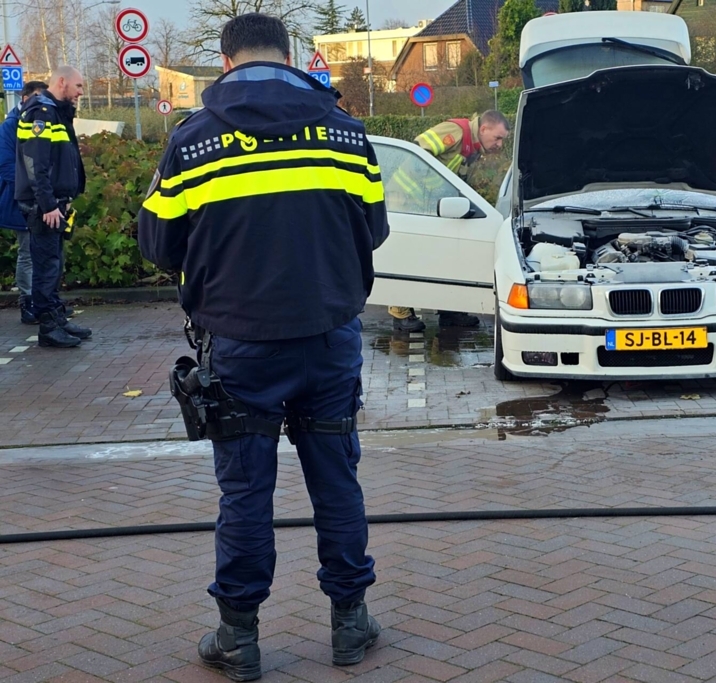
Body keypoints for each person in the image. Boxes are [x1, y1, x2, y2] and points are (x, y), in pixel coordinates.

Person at [139, 14, 388, 680]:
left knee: (245, 491)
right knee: (337, 478)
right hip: (330, 338)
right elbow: (376, 228)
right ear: (290, 56)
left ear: (226, 61)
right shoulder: (346, 132)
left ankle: (239, 636)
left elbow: (157, 243)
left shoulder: (193, 142)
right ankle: (349, 623)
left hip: (242, 343)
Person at [387, 110, 510, 333]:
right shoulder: (455, 132)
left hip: (428, 204)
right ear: (484, 129)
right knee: (408, 254)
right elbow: (418, 152)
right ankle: (400, 311)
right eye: (498, 137)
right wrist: (438, 190)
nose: (499, 144)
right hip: (406, 198)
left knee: (447, 252)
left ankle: (450, 308)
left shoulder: (472, 148)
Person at [15, 66, 90, 347]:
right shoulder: (41, 113)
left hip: (54, 203)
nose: (81, 93)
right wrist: (47, 205)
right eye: (78, 86)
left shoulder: (55, 112)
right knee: (46, 265)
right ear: (62, 82)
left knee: (54, 263)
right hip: (43, 206)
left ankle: (57, 318)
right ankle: (48, 326)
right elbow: (37, 164)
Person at [0, 80, 47, 324]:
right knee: (27, 251)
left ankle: (44, 302)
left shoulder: (41, 121)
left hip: (43, 198)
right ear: (25, 97)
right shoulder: (10, 127)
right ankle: (27, 304)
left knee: (45, 252)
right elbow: (7, 165)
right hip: (22, 200)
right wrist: (30, 191)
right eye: (37, 96)